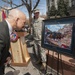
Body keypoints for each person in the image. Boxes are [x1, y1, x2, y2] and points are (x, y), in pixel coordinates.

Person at [0, 9, 26, 75]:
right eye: (24, 22)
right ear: (17, 20)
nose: (24, 25)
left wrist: (7, 55)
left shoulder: (6, 28)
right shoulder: (1, 33)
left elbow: (3, 47)